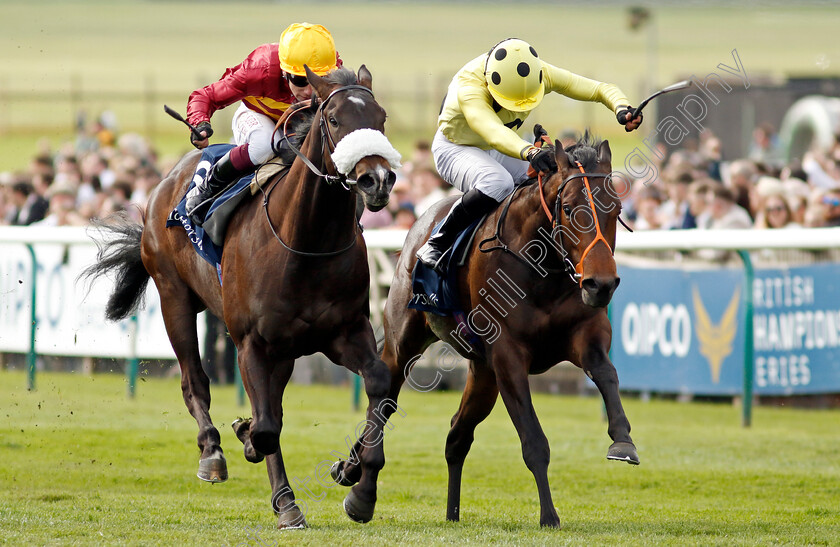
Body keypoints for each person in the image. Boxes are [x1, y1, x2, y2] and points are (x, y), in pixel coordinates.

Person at [415, 38, 642, 271]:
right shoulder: (469, 87)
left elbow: (598, 89)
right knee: (497, 182)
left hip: (503, 145)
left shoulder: (540, 73)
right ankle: (438, 242)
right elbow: (492, 132)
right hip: (456, 148)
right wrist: (530, 151)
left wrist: (621, 107)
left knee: (547, 182)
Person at [184, 23, 342, 224]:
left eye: (319, 79)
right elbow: (206, 96)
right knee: (266, 144)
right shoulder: (260, 68)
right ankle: (207, 187)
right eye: (301, 80)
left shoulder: (333, 69)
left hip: (296, 122)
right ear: (284, 72)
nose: (310, 91)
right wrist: (200, 123)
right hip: (258, 115)